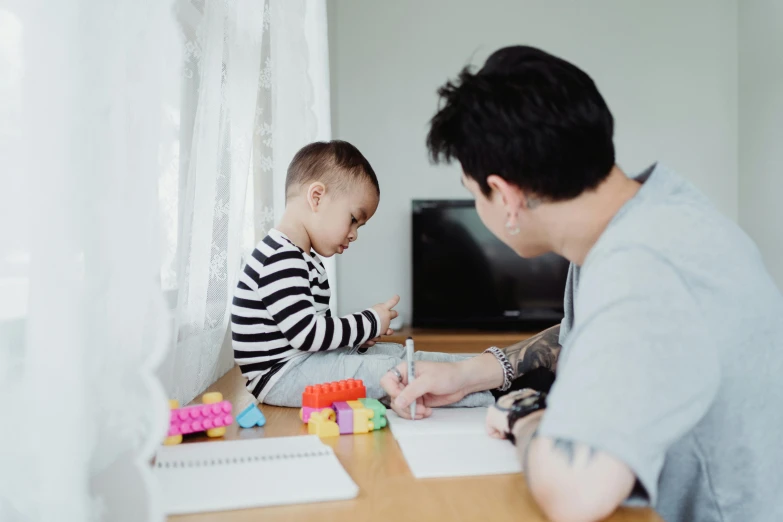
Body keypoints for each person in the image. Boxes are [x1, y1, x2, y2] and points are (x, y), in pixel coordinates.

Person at [381, 46, 783, 522]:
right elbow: (596, 337)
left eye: (475, 194)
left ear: (507, 196)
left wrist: (523, 412)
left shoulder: (643, 266)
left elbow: (575, 493)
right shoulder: (643, 221)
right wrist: (472, 374)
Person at [232, 140, 493, 408]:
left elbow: (317, 336)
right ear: (317, 197)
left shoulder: (303, 259)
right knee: (395, 369)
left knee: (398, 355)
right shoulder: (279, 257)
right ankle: (490, 394)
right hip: (280, 376)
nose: (354, 234)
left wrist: (357, 337)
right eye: (354, 219)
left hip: (299, 365)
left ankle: (485, 373)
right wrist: (367, 321)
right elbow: (307, 334)